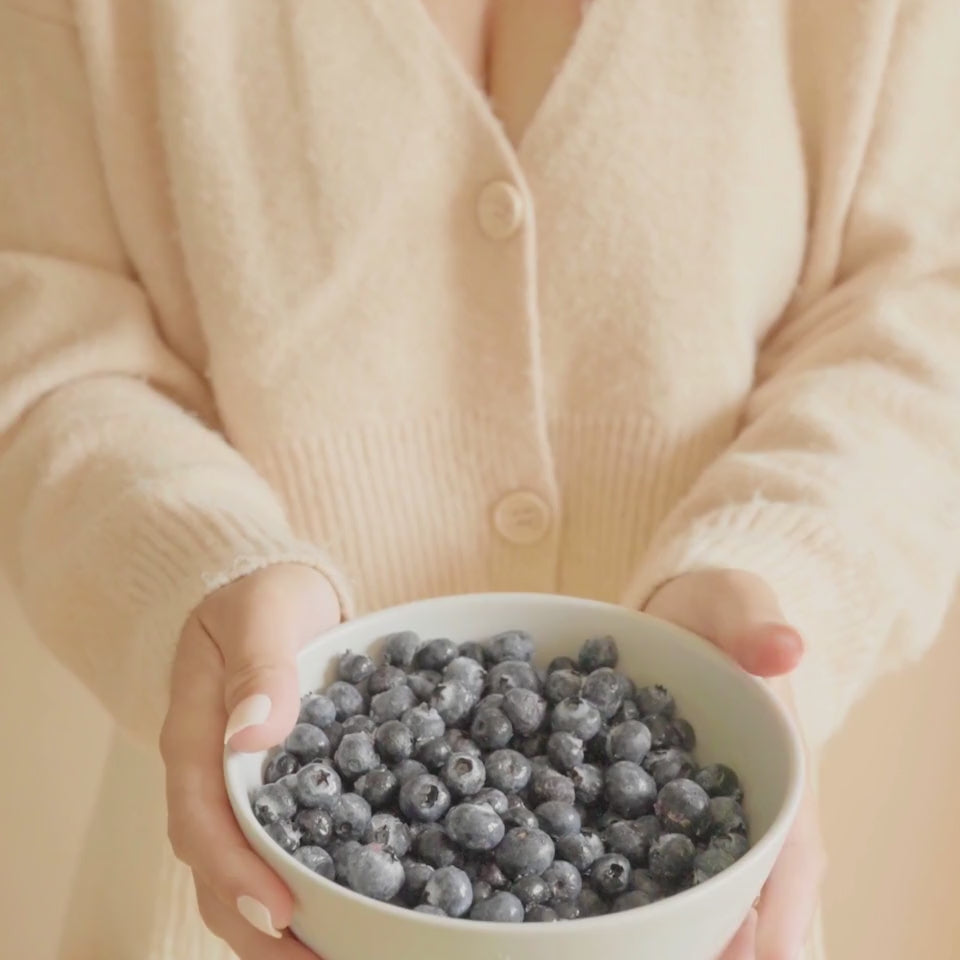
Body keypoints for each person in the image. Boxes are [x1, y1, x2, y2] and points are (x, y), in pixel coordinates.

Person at [1, 1, 958, 958]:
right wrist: (197, 571)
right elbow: (45, 340)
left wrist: (778, 568)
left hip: (694, 913)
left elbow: (922, 316)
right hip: (249, 895)